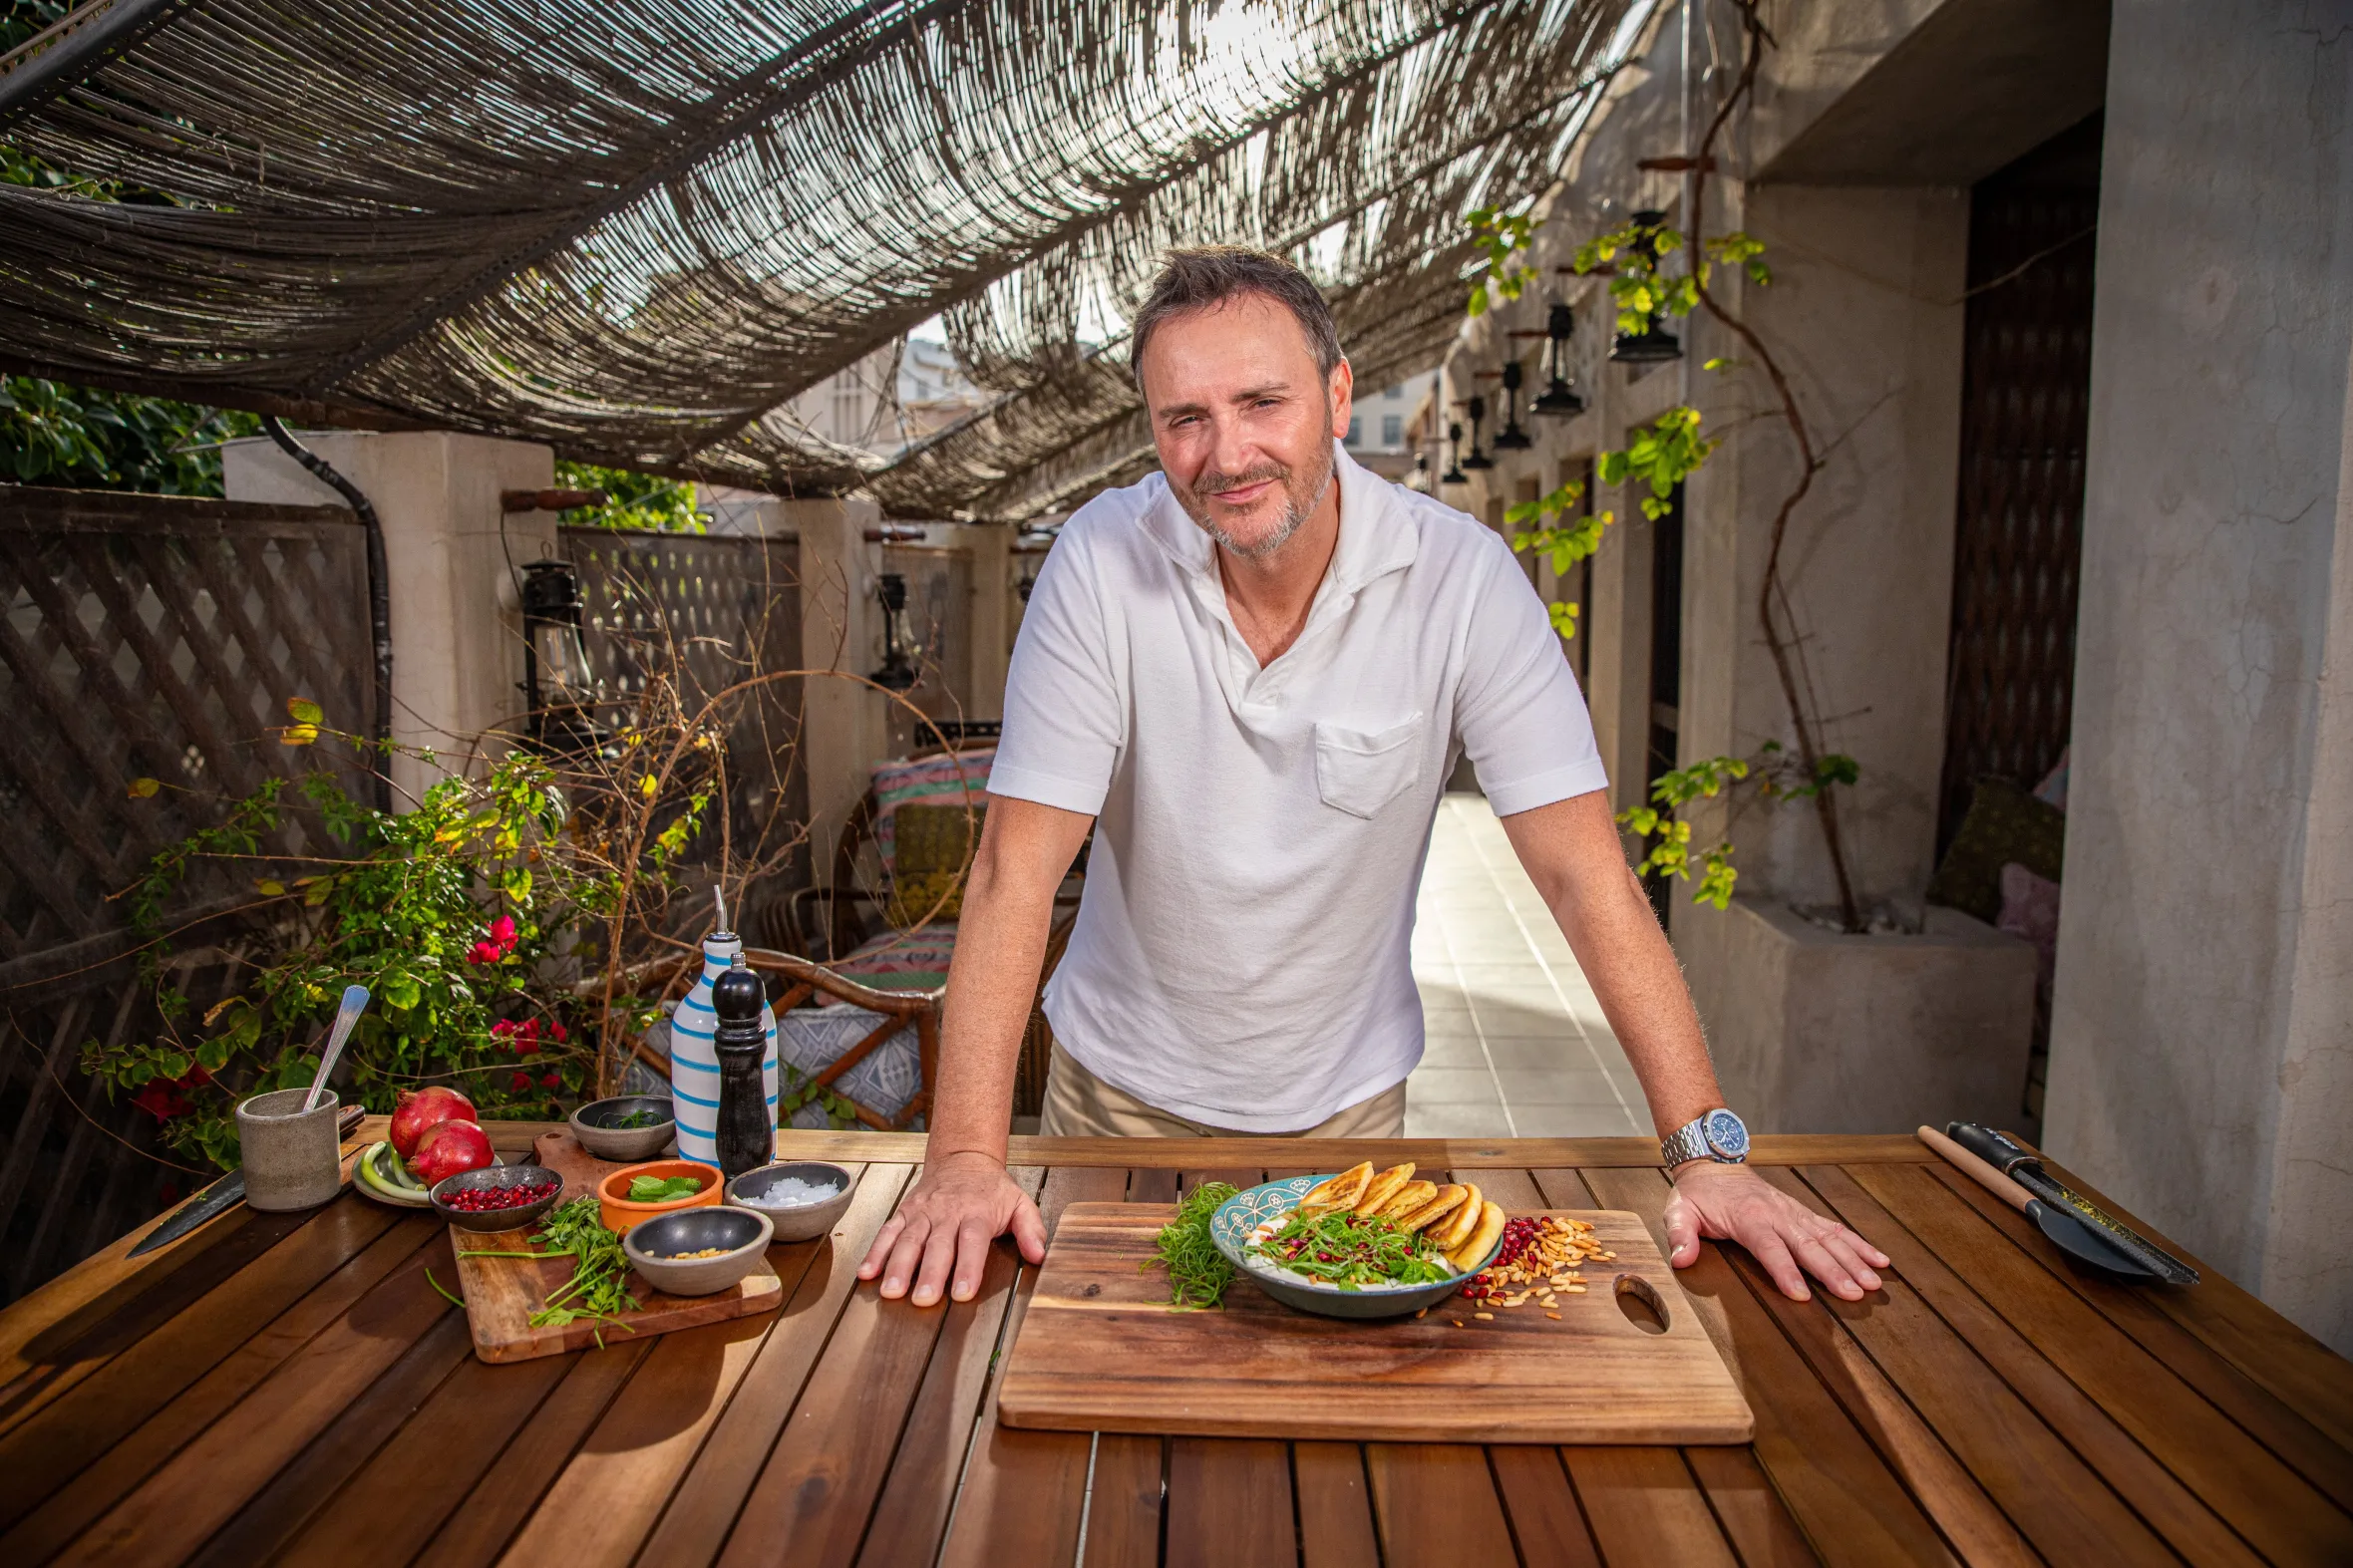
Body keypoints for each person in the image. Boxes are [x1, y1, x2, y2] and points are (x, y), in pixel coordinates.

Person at [857, 246, 1885, 1309]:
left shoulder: (1462, 582)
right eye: (1184, 418)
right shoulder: (1096, 562)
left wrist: (1705, 1151)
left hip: (1342, 1117)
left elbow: (1583, 875)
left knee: (1330, 1444)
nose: (1226, 453)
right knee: (1103, 1428)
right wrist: (968, 1160)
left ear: (1338, 394)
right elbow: (1012, 872)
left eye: (1263, 401)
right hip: (1113, 1098)